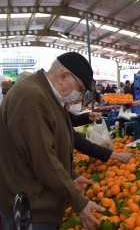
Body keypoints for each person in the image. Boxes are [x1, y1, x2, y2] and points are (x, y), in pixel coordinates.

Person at [0, 52, 104, 230]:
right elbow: (43, 160)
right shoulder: (32, 97)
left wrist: (72, 175)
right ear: (63, 76)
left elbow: (55, 142)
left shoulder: (49, 96)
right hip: (30, 208)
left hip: (37, 200)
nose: (79, 94)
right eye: (79, 88)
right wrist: (78, 201)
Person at [15, 73, 134, 164]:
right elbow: (78, 141)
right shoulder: (35, 110)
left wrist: (87, 116)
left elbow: (70, 120)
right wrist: (114, 155)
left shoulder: (50, 105)